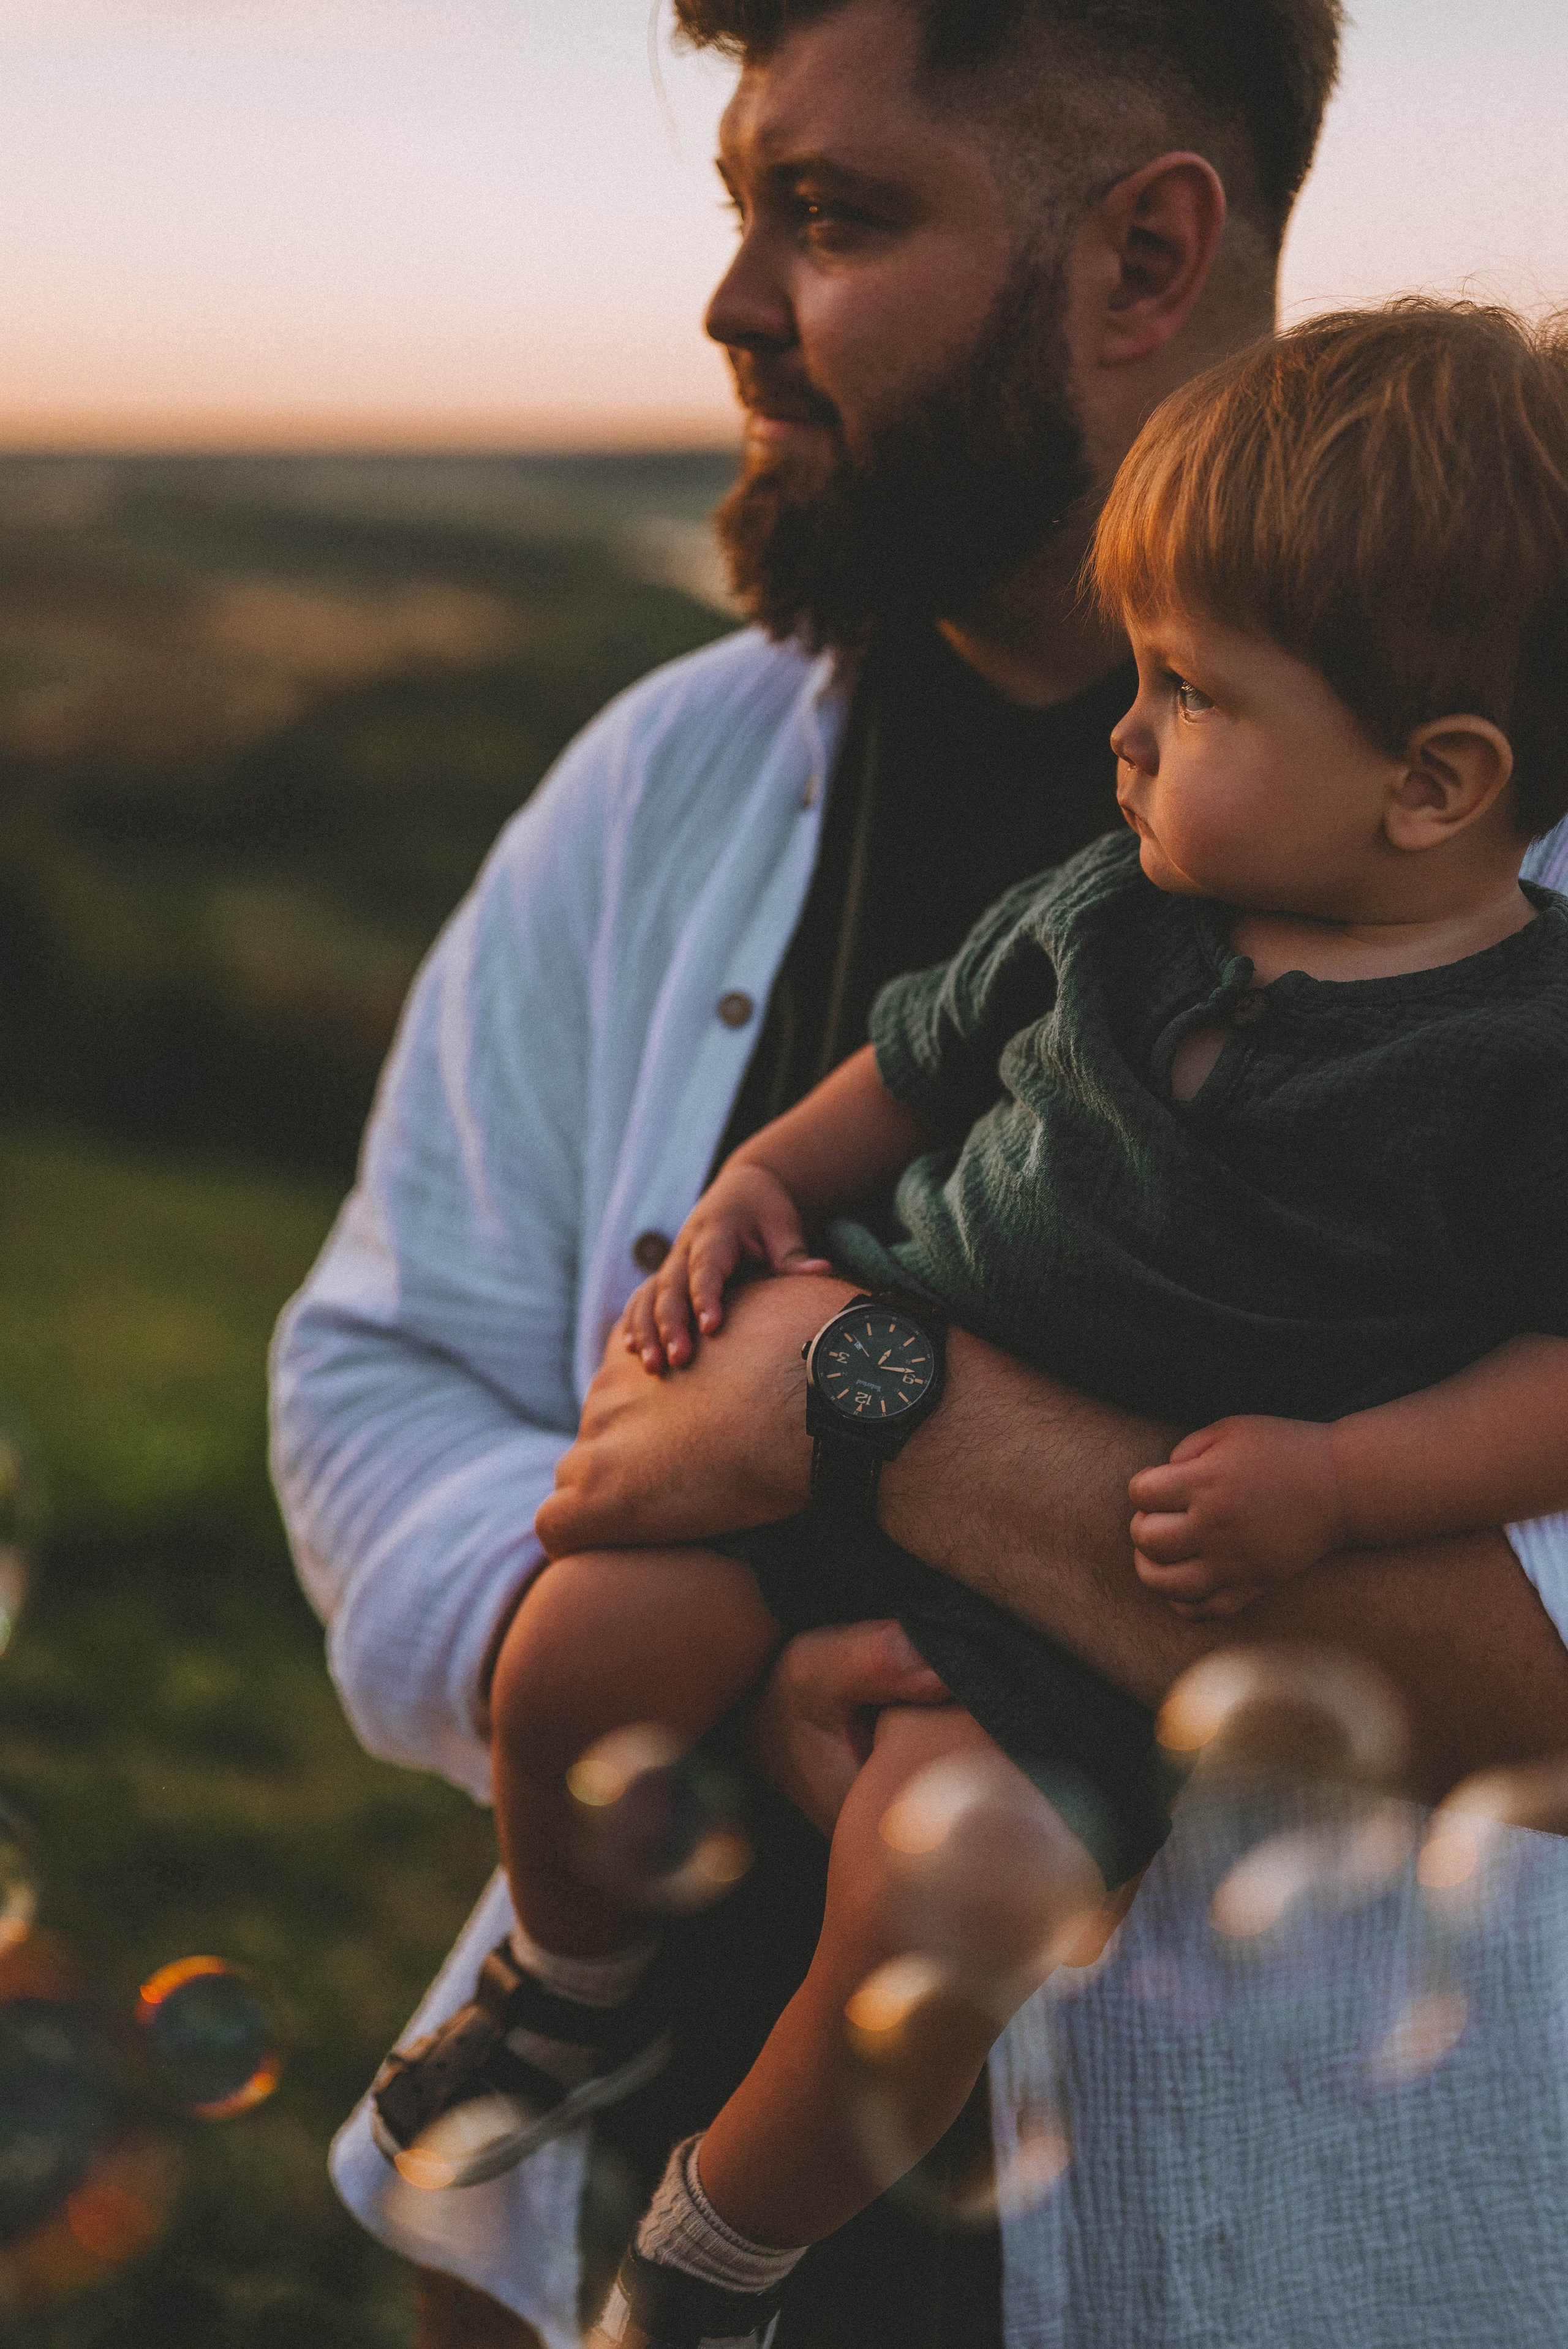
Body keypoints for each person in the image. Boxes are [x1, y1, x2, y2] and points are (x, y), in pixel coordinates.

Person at [270, 4, 1568, 2344]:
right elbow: (376, 1362)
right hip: (576, 2232)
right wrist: (685, 1652)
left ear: (1144, 256)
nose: (733, 302)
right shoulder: (668, 779)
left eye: (834, 213)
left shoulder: (1513, 954)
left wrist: (874, 1409)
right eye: (743, 210)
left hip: (1307, 2274)